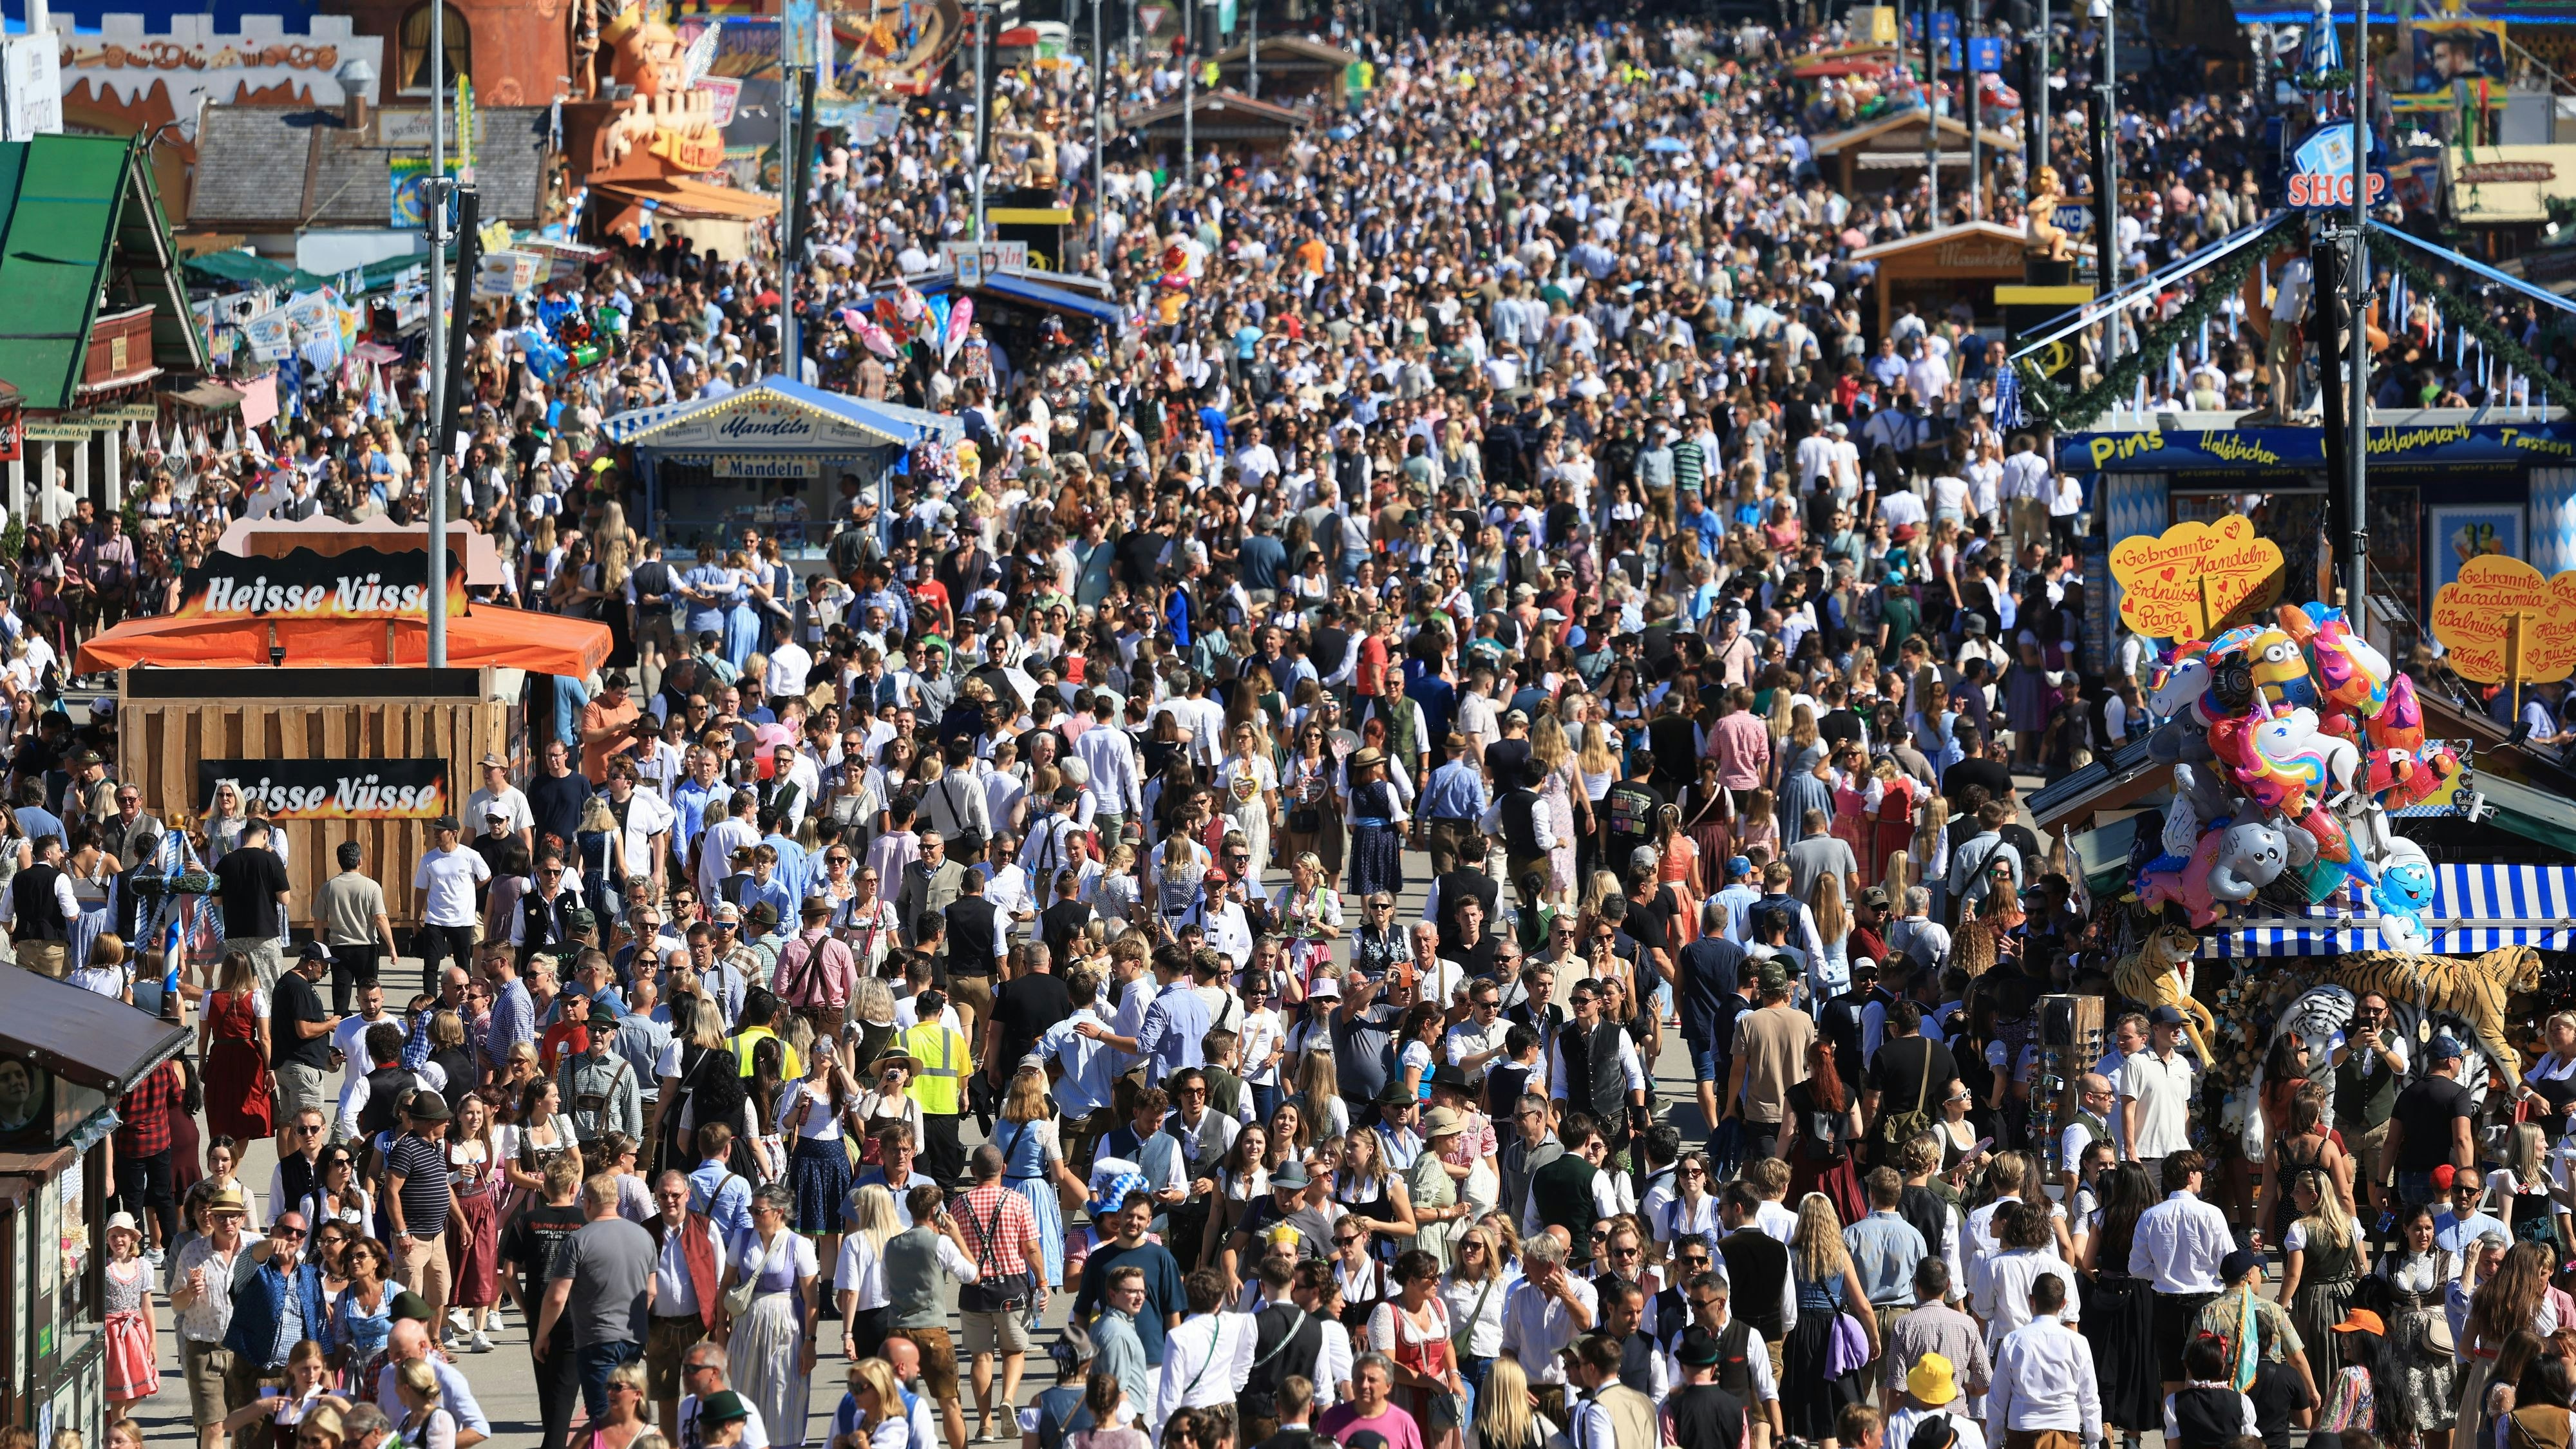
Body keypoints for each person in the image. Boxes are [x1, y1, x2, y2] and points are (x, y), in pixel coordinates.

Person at [534, 1173, 657, 1422]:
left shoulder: (579, 1240)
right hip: (633, 1338)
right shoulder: (644, 1236)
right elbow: (651, 1291)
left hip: (596, 1339)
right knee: (627, 1414)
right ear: (617, 1200)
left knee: (603, 1417)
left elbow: (557, 1297)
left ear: (587, 1203)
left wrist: (542, 1335)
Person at [888, 1182, 987, 1449]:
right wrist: (957, 1237)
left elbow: (887, 1291)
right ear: (936, 1211)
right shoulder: (940, 1243)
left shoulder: (892, 1245)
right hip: (932, 1329)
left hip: (897, 1330)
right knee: (950, 1403)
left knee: (894, 1403)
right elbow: (973, 1275)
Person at [725, 1182, 819, 1449]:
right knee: (746, 1392)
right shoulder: (742, 1239)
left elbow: (812, 1298)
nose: (753, 1215)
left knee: (783, 1393)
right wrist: (722, 1327)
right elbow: (726, 1284)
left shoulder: (798, 1245)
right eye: (751, 1210)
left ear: (779, 1212)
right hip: (748, 1326)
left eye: (759, 1211)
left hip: (786, 1328)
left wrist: (810, 1342)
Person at [2131, 1152, 2231, 1396]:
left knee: (2172, 1380)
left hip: (2167, 1304)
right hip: (2206, 1304)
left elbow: (2136, 1267)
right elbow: (2228, 1261)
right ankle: (2206, 1428)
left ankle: (2173, 1434)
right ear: (2190, 1176)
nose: (2202, 1178)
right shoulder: (2212, 1214)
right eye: (2200, 1173)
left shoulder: (2151, 1216)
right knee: (2209, 1376)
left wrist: (2163, 1273)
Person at [1985, 1274, 2101, 1449]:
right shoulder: (2078, 1343)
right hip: (2065, 1435)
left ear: (2031, 1300)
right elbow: (2090, 1399)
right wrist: (2093, 1443)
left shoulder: (2013, 1341)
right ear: (2063, 1304)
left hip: (2023, 1433)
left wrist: (1994, 1442)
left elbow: (1997, 1399)